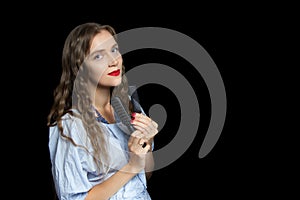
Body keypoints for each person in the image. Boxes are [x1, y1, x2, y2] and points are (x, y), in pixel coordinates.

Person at [47, 22, 159, 200]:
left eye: (114, 50)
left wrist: (147, 144)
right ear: (80, 68)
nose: (113, 61)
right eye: (98, 56)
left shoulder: (129, 107)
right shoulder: (70, 127)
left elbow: (145, 176)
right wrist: (131, 166)